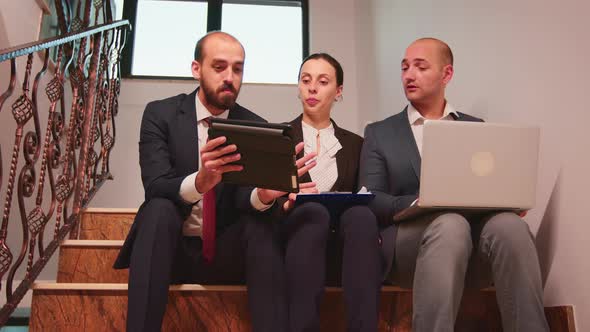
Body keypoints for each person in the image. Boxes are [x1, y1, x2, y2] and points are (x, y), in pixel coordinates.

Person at [113, 31, 314, 332]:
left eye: (238, 68)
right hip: (170, 249)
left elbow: (241, 199)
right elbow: (156, 185)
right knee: (157, 210)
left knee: (260, 225)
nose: (230, 77)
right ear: (197, 69)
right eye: (219, 67)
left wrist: (263, 195)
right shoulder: (161, 114)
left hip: (226, 252)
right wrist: (201, 181)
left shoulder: (255, 125)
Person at [359, 38, 549, 332]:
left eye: (420, 67)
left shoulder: (476, 127)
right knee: (449, 224)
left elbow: (486, 187)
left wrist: (505, 201)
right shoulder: (380, 133)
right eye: (405, 67)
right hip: (412, 248)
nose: (409, 75)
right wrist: (419, 201)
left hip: (472, 243)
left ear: (446, 75)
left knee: (510, 226)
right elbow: (372, 200)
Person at [277, 53, 382, 332]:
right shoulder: (278, 138)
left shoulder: (359, 144)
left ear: (339, 92)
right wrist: (285, 205)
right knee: (312, 212)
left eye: (323, 82)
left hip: (348, 246)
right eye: (305, 80)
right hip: (300, 241)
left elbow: (366, 192)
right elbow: (267, 201)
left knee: (361, 215)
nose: (312, 88)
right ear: (298, 87)